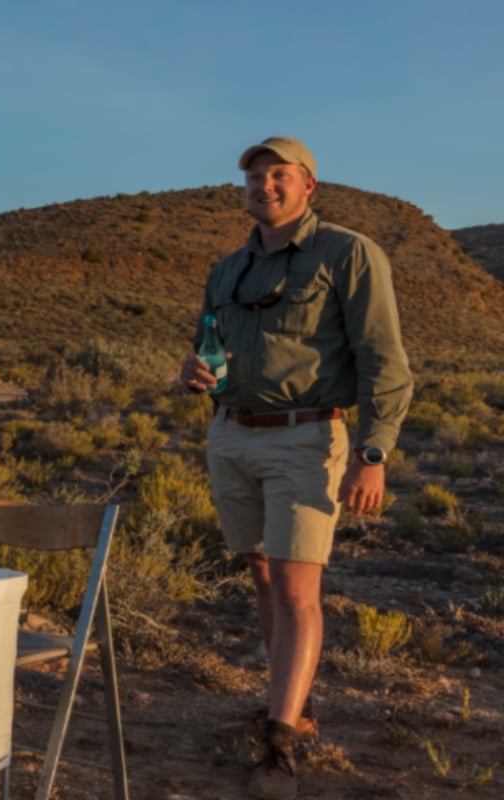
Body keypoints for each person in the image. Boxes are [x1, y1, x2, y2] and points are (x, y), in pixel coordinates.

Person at [178, 136, 411, 800]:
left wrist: (372, 454)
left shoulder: (348, 253)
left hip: (306, 437)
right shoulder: (227, 268)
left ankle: (278, 743)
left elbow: (384, 361)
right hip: (231, 434)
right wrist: (195, 372)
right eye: (254, 176)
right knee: (261, 574)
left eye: (279, 175)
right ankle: (292, 706)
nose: (265, 185)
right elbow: (209, 344)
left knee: (298, 588)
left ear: (309, 185)